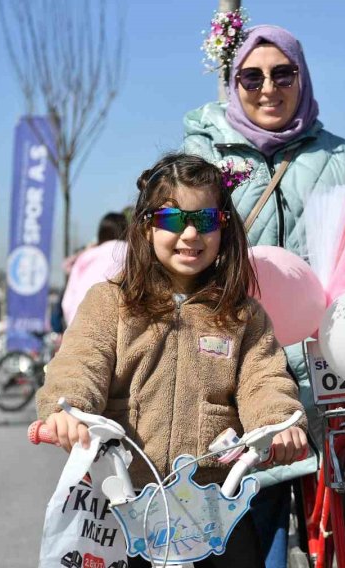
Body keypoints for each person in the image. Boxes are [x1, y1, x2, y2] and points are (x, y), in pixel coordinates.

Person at [182, 24, 345, 568]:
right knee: (254, 522)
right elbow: (174, 245)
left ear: (303, 77)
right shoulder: (202, 155)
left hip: (344, 347)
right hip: (246, 357)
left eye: (283, 73)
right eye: (251, 76)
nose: (268, 88)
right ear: (233, 83)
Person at [35, 153, 307, 568]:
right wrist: (67, 410)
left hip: (213, 503)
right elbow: (81, 362)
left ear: (224, 227)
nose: (192, 234)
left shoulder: (240, 313)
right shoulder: (112, 303)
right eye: (175, 220)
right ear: (147, 226)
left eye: (207, 220)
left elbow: (263, 378)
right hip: (127, 501)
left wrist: (277, 422)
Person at [61, 211, 128, 325]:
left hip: (77, 324)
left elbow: (67, 302)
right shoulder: (130, 251)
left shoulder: (85, 256)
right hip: (112, 325)